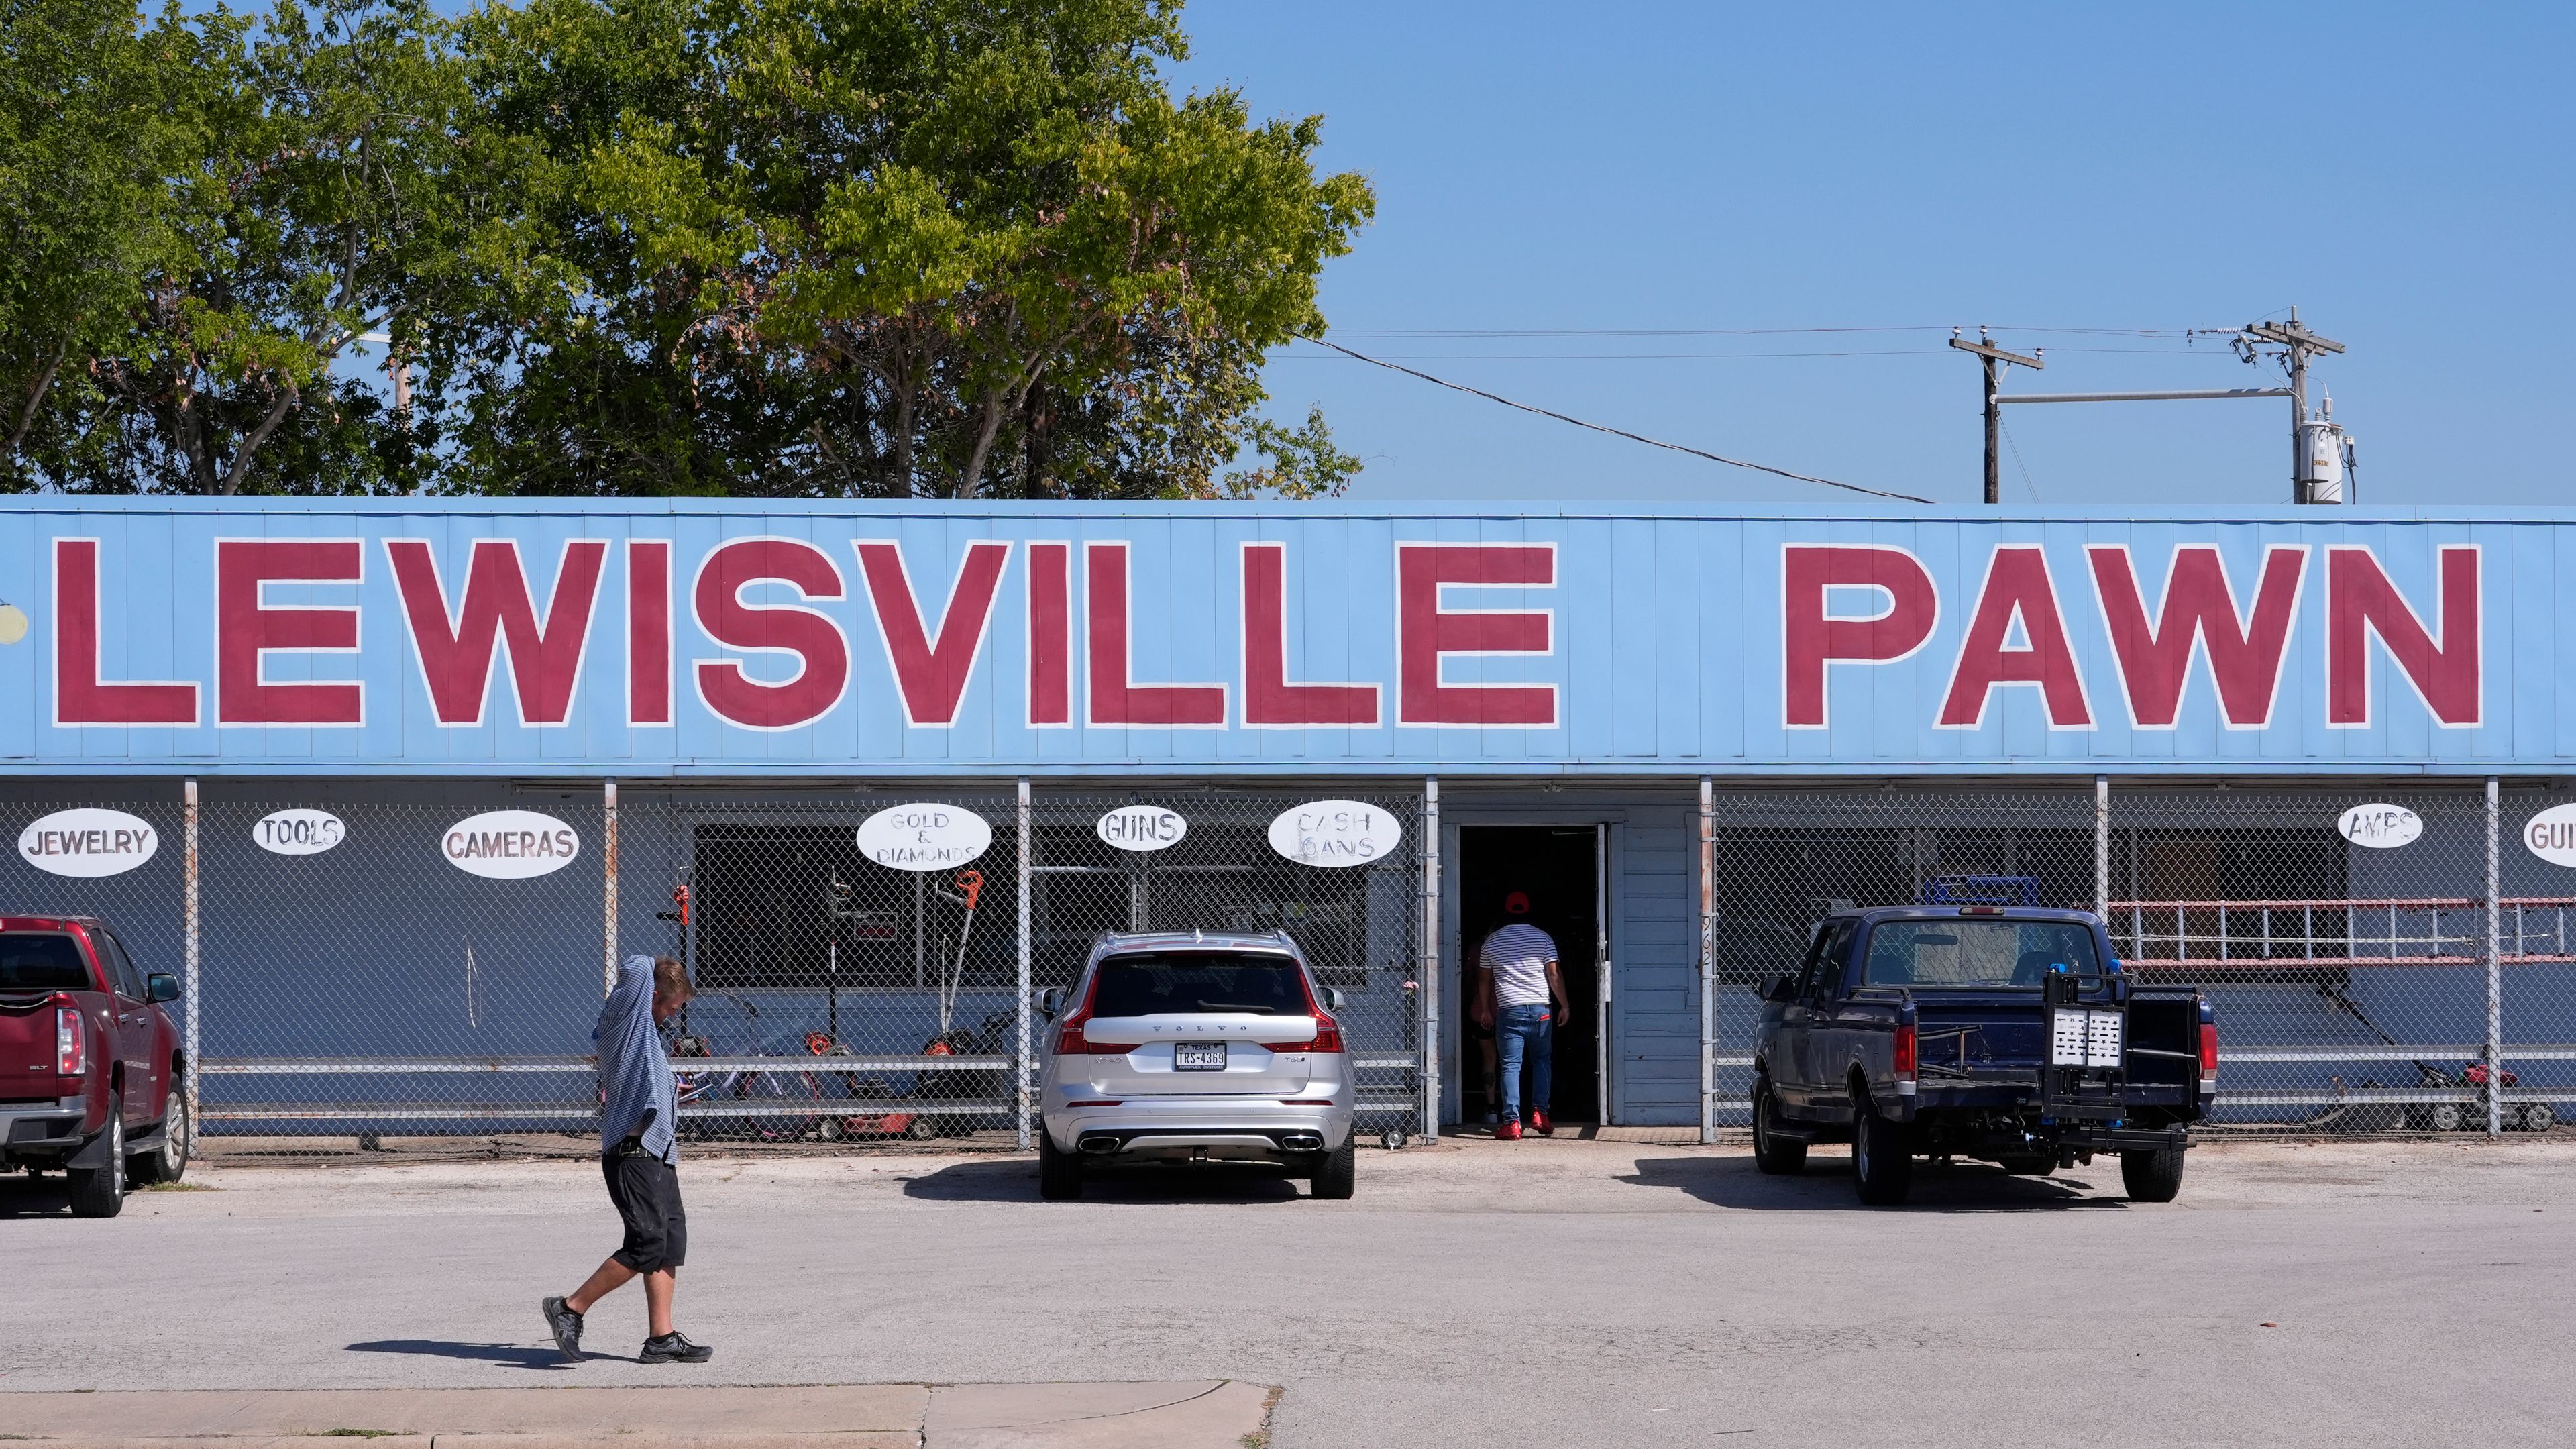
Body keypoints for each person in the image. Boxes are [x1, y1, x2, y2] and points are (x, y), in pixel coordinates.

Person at [542, 955, 714, 1364]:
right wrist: (666, 966)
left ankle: (662, 1338)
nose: (674, 1015)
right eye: (672, 1007)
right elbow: (638, 966)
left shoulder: (649, 1035)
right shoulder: (626, 1023)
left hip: (656, 1154)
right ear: (651, 996)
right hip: (630, 1155)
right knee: (646, 1243)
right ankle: (569, 1308)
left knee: (669, 1244)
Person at [1474, 892, 1572, 1140]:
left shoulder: (1492, 942)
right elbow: (1554, 975)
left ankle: (1512, 1123)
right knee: (1541, 1061)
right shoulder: (1543, 939)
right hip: (1541, 1009)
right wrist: (1565, 1005)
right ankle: (1541, 1114)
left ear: (1505, 913)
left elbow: (1484, 979)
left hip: (1509, 1009)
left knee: (1510, 1065)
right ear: (1529, 912)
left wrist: (1486, 1009)